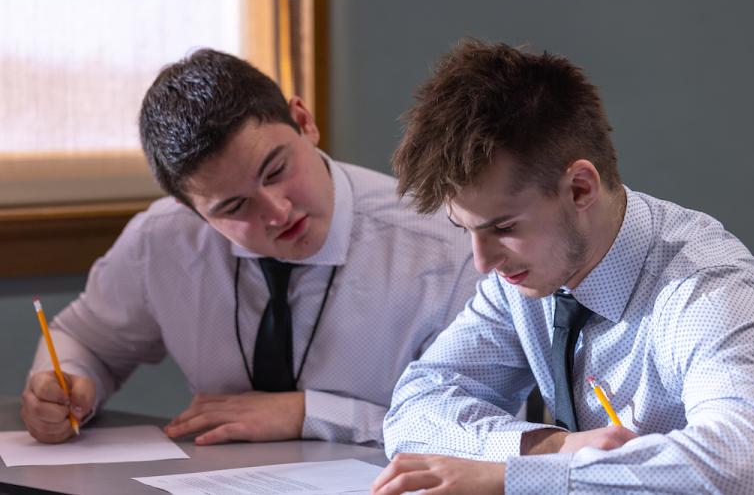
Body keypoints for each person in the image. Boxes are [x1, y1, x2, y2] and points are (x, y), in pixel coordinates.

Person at [373, 40, 754, 494]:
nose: (483, 262)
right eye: (466, 229)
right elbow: (416, 406)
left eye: (503, 227)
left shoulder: (711, 289)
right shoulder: (520, 279)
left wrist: (514, 479)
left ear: (580, 188)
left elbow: (739, 468)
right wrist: (554, 449)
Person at [20, 49, 479, 448]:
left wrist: (313, 415)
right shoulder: (161, 240)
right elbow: (86, 340)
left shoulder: (446, 245)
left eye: (276, 170)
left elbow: (482, 428)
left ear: (304, 122)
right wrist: (66, 387)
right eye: (235, 206)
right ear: (192, 211)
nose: (277, 212)